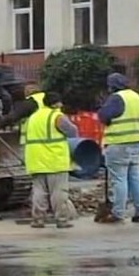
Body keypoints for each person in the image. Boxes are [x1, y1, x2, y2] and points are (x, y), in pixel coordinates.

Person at [96, 72, 139, 224]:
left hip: (119, 143)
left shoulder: (116, 98)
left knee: (119, 179)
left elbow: (104, 116)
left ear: (112, 86)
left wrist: (101, 107)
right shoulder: (136, 97)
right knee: (135, 177)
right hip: (136, 141)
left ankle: (118, 213)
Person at [23, 92, 79, 228]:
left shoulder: (32, 117)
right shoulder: (56, 116)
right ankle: (61, 219)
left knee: (38, 191)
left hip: (35, 159)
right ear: (55, 103)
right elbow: (72, 131)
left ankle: (38, 220)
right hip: (55, 159)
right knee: (58, 192)